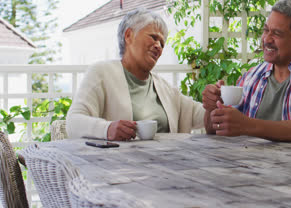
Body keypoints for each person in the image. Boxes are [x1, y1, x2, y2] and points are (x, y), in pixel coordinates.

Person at [202, 0, 291, 148]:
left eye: (277, 34)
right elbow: (215, 130)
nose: (266, 39)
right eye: (266, 30)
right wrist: (213, 108)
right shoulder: (251, 76)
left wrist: (245, 125)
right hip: (256, 167)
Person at [66, 8, 205, 140]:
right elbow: (73, 122)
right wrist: (107, 129)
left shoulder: (165, 89)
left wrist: (214, 103)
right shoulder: (101, 73)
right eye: (153, 37)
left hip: (165, 162)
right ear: (128, 36)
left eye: (162, 43)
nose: (158, 46)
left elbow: (200, 114)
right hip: (117, 163)